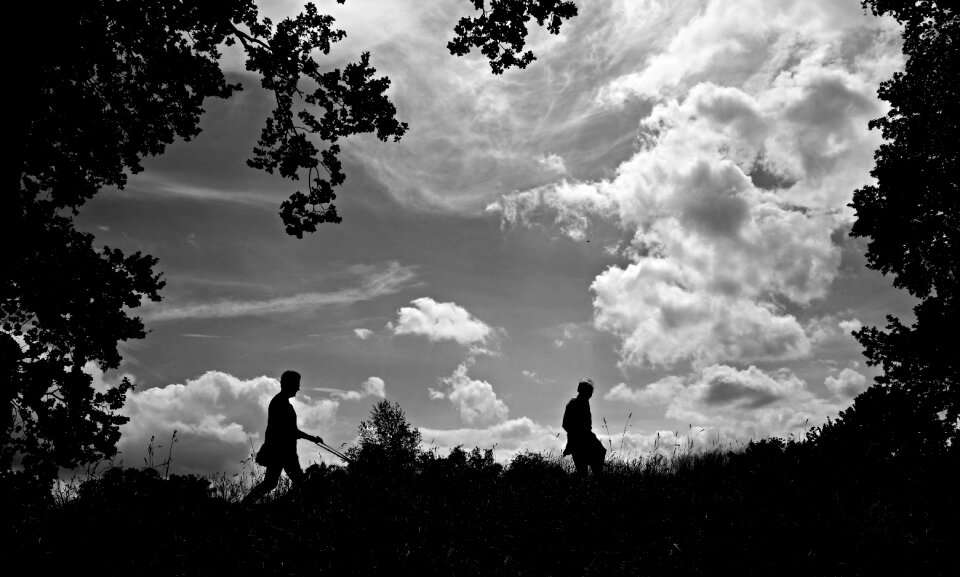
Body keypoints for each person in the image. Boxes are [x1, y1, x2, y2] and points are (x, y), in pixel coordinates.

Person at [243, 370, 324, 504]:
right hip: (283, 452)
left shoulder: (280, 402)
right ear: (288, 384)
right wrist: (312, 439)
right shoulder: (280, 403)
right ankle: (315, 510)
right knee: (299, 484)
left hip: (281, 452)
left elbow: (289, 430)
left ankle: (244, 505)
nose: (298, 388)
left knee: (271, 483)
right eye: (296, 384)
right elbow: (290, 431)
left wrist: (312, 439)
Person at [562, 379, 606, 476]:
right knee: (597, 456)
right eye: (589, 392)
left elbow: (565, 425)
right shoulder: (579, 403)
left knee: (583, 470)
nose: (590, 395)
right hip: (582, 439)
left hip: (576, 440)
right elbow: (567, 424)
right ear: (583, 391)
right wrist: (580, 434)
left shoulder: (576, 403)